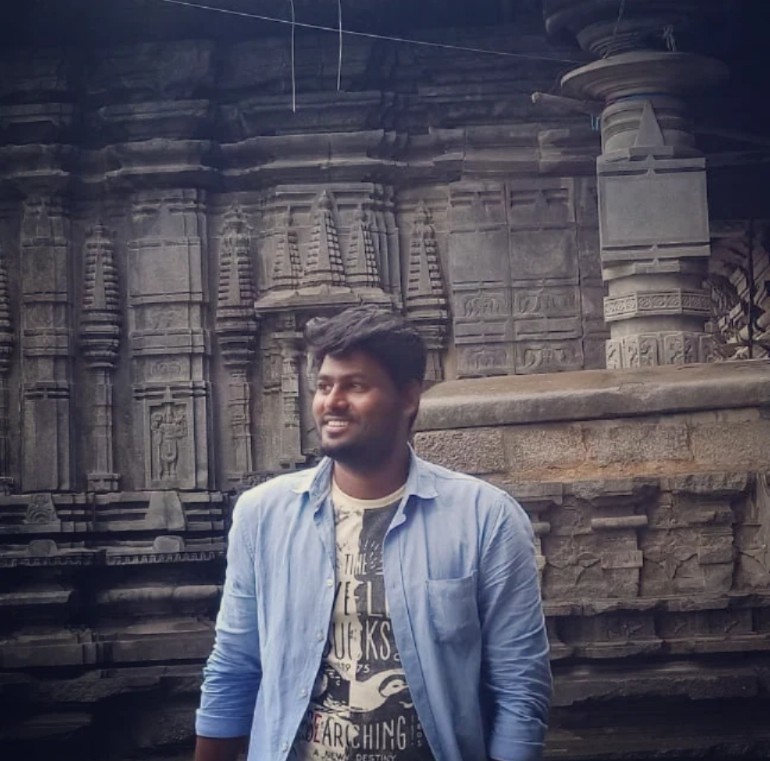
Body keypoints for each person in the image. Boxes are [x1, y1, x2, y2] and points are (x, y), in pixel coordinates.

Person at [194, 306, 552, 761]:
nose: (332, 402)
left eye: (355, 386)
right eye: (324, 386)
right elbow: (234, 666)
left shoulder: (485, 519)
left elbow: (520, 687)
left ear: (409, 398)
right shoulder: (263, 515)